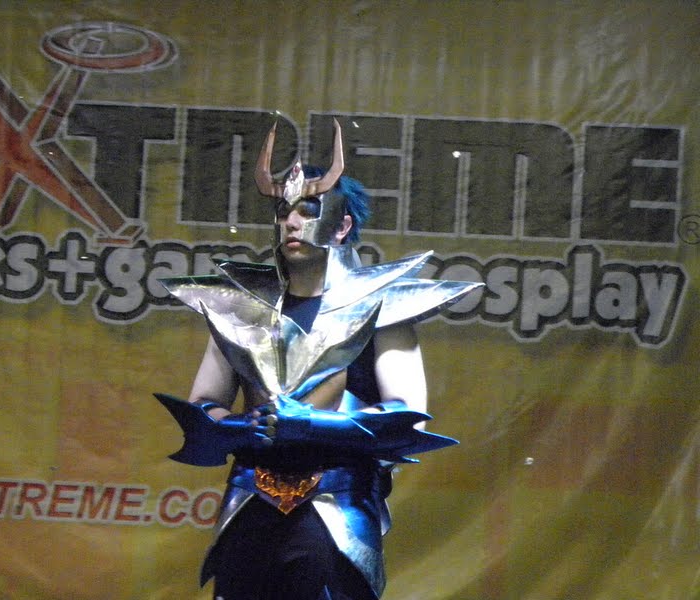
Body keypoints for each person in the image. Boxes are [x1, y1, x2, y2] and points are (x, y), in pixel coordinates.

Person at [155, 119, 481, 600]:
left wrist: (312, 425)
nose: (291, 222)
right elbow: (203, 406)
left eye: (308, 209)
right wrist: (244, 427)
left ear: (342, 225)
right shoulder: (240, 309)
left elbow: (406, 414)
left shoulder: (382, 308)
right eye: (283, 210)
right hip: (251, 501)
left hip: (336, 504)